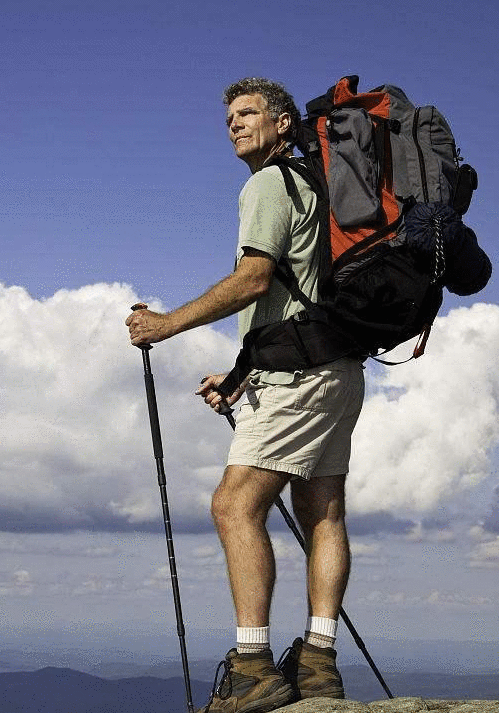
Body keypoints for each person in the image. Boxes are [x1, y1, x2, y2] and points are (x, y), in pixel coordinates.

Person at [126, 77, 364, 713]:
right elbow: (297, 294)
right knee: (324, 511)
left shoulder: (266, 184)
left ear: (283, 123)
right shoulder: (314, 187)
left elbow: (255, 280)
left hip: (297, 379)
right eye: (229, 116)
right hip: (336, 371)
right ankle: (318, 663)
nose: (234, 124)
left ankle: (254, 664)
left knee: (234, 505)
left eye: (248, 113)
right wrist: (238, 377)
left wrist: (165, 325)